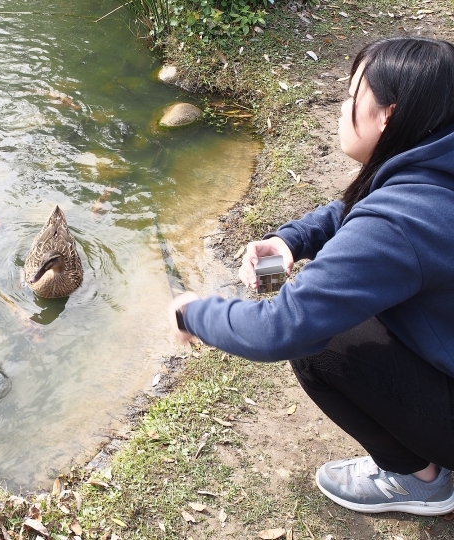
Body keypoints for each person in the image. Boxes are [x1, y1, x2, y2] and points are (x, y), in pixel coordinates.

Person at [168, 36, 454, 517]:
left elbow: (282, 327)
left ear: (388, 115)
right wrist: (291, 241)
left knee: (323, 342)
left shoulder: (404, 220)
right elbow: (363, 209)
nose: (342, 110)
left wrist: (192, 312)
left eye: (350, 97)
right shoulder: (434, 167)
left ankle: (419, 481)